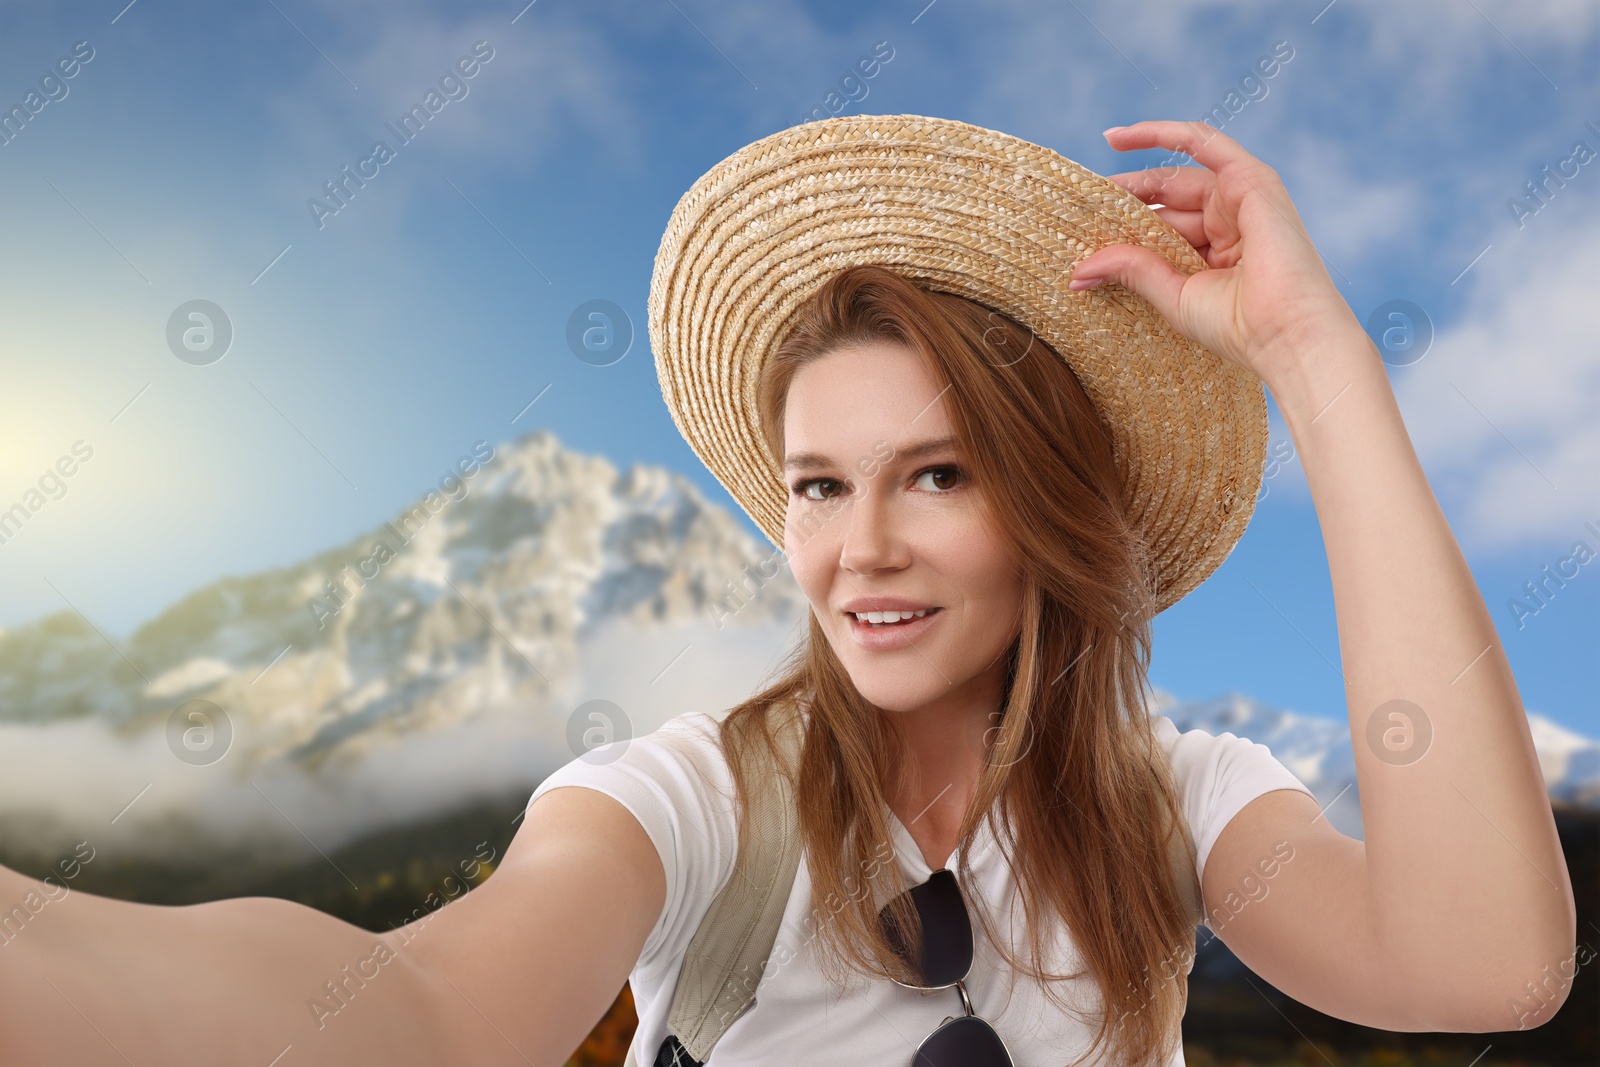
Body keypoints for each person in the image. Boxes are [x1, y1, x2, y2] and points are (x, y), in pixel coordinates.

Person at [0, 116, 1574, 1067]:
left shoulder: (1185, 808)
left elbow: (1489, 964)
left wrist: (1316, 360)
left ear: (1053, 518)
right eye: (818, 485)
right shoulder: (689, 799)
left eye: (938, 475)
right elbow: (421, 1009)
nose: (857, 548)